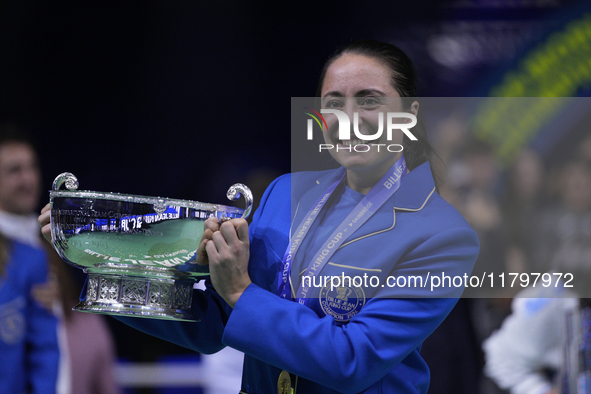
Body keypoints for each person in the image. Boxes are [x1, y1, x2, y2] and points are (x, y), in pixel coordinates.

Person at [40, 39, 479, 393]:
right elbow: (215, 322)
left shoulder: (441, 235)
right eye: (333, 102)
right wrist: (98, 262)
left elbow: (352, 361)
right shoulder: (285, 193)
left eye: (369, 100)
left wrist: (240, 289)